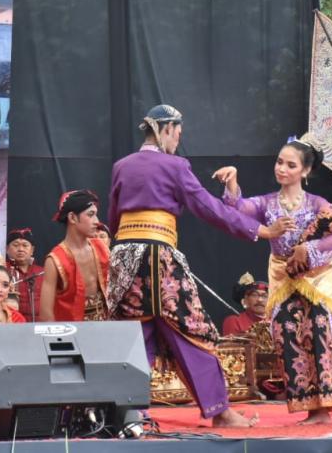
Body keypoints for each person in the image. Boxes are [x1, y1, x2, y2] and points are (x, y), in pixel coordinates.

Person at [107, 104, 283, 428]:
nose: (178, 140)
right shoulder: (175, 165)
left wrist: (115, 256)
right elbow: (208, 208)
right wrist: (259, 230)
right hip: (157, 255)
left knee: (135, 334)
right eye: (178, 133)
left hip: (123, 256)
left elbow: (113, 216)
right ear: (167, 129)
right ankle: (220, 411)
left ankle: (130, 414)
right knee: (193, 331)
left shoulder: (122, 166)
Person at [215, 134, 332, 425]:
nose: (282, 169)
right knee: (288, 336)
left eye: (290, 165)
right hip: (284, 278)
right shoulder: (267, 203)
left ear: (305, 171)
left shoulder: (318, 204)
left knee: (319, 333)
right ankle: (308, 405)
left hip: (320, 279)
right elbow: (237, 208)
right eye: (279, 162)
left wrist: (308, 249)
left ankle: (323, 409)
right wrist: (232, 183)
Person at [40, 190, 110, 322]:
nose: (97, 221)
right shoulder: (55, 260)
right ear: (72, 217)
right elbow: (46, 315)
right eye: (91, 215)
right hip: (72, 329)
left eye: (96, 215)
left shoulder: (101, 248)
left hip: (105, 326)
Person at [5, 228, 43, 322]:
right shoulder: (1, 271)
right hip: (12, 324)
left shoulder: (42, 272)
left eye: (25, 245)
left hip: (40, 324)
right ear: (7, 249)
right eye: (16, 245)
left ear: (32, 250)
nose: (21, 249)